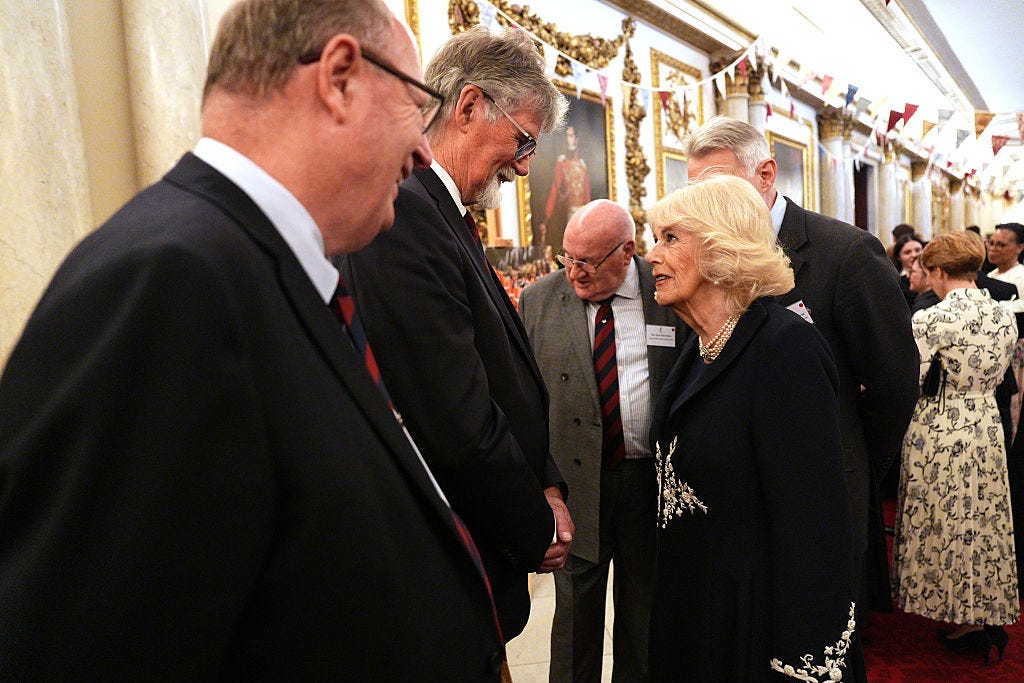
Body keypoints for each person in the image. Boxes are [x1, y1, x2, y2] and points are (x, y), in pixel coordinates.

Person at [0, 2, 507, 679]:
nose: (422, 150)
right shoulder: (170, 281)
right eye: (417, 105)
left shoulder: (262, 265)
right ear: (340, 77)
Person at [340, 26, 572, 643]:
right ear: (468, 107)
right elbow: (453, 415)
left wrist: (546, 478)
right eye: (523, 141)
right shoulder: (408, 214)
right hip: (445, 567)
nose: (525, 169)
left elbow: (504, 368)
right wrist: (534, 527)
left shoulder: (443, 214)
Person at [682, 117, 919, 672]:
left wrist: (852, 463)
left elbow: (893, 384)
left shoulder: (845, 254)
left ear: (766, 174)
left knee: (816, 650)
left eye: (719, 184)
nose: (706, 202)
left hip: (819, 505)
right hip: (734, 514)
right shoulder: (703, 258)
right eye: (696, 190)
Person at [645, 175, 855, 681]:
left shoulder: (785, 348)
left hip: (755, 630)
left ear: (721, 250)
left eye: (670, 238)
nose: (651, 255)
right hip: (697, 615)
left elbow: (816, 524)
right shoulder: (698, 347)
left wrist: (801, 659)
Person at [519, 199, 683, 682]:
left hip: (649, 484)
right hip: (574, 484)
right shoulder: (539, 299)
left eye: (587, 261)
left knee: (644, 614)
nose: (575, 272)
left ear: (627, 250)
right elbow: (524, 398)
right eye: (566, 258)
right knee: (573, 617)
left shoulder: (667, 293)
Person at [891, 232, 1019, 664]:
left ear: (940, 272)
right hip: (986, 424)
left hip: (941, 427)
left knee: (946, 524)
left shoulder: (933, 319)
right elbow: (1002, 378)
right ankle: (981, 615)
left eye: (929, 272)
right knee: (981, 522)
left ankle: (967, 620)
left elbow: (908, 378)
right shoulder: (1003, 316)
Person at [536, 125, 591, 255]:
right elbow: (554, 191)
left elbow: (587, 194)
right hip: (568, 214)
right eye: (567, 136)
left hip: (583, 213)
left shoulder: (582, 164)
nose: (568, 139)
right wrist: (546, 218)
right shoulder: (562, 162)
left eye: (571, 136)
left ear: (576, 139)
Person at [987, 223, 1024, 297]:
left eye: (1000, 245)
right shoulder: (990, 275)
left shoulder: (1020, 278)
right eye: (991, 243)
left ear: (1020, 247)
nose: (992, 249)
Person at [890, 234, 923, 307]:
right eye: (907, 252)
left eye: (917, 250)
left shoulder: (933, 276)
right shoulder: (895, 281)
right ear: (898, 257)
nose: (914, 255)